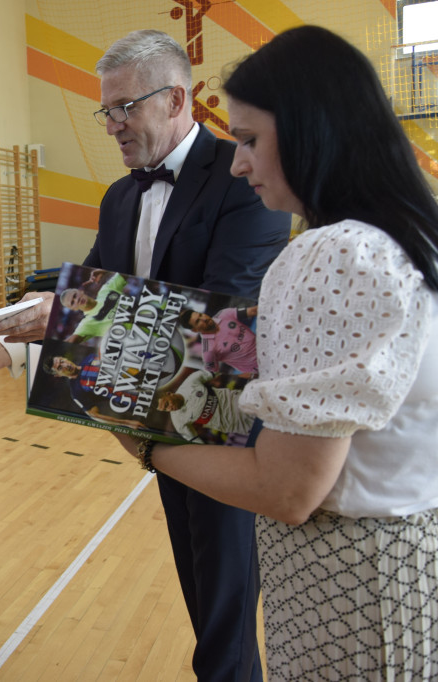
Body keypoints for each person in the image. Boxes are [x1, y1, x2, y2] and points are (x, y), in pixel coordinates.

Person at [122, 25, 438, 679]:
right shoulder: (407, 237)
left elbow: (289, 487)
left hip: (347, 576)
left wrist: (145, 441)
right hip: (409, 552)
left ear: (313, 131)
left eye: (251, 141)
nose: (239, 164)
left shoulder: (331, 252)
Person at [82, 30, 292, 681]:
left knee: (227, 619)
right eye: (105, 111)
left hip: (228, 428)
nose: (112, 125)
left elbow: (222, 313)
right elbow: (89, 292)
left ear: (175, 98)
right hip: (157, 422)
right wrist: (3, 334)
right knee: (203, 600)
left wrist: (73, 323)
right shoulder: (119, 196)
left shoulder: (241, 175)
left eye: (125, 108)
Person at [156, 369, 253, 442]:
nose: (169, 409)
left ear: (169, 394)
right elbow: (196, 442)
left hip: (242, 402)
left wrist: (244, 371)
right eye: (165, 410)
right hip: (240, 425)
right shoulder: (178, 421)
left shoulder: (190, 383)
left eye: (167, 404)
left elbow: (218, 368)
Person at [179, 305, 258, 375]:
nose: (204, 319)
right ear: (195, 330)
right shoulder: (208, 351)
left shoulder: (224, 314)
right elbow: (213, 374)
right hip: (260, 365)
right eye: (198, 321)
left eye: (200, 315)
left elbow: (253, 311)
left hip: (267, 344)